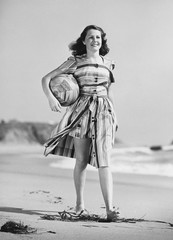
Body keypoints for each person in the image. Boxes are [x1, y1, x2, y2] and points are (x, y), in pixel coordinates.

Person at [41, 25, 119, 221]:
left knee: (104, 159)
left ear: (102, 41)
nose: (95, 40)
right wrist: (52, 98)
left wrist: (114, 115)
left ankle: (110, 209)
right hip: (81, 112)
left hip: (103, 112)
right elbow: (46, 79)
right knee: (82, 160)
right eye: (91, 37)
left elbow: (109, 92)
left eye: (98, 37)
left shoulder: (109, 64)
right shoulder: (75, 61)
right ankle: (79, 205)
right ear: (84, 41)